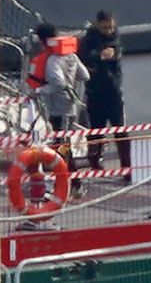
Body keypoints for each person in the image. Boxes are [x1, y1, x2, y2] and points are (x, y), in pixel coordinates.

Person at [27, 23, 90, 196]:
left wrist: (39, 90)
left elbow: (58, 82)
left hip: (58, 109)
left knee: (62, 148)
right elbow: (85, 75)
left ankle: (69, 184)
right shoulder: (71, 56)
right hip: (71, 107)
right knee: (64, 145)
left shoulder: (53, 60)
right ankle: (73, 183)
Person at [79, 11, 131, 178]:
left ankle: (127, 167)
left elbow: (117, 54)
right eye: (105, 28)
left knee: (120, 131)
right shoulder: (88, 40)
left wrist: (111, 55)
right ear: (97, 25)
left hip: (113, 91)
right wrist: (100, 56)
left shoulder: (115, 37)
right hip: (95, 91)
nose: (108, 31)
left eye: (111, 27)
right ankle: (95, 162)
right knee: (96, 131)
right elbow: (83, 58)